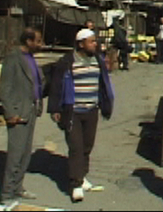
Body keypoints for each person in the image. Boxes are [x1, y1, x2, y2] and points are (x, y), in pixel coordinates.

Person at [47, 28, 114, 203]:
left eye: (95, 41)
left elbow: (103, 83)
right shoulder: (67, 62)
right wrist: (55, 109)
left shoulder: (97, 60)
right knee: (76, 146)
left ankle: (82, 176)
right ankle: (75, 184)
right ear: (81, 44)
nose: (95, 44)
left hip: (92, 111)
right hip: (73, 112)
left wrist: (106, 103)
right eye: (91, 41)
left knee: (87, 146)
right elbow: (56, 86)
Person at [0, 28, 45, 205]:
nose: (40, 44)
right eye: (38, 41)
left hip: (31, 110)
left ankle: (18, 187)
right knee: (15, 155)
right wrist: (10, 113)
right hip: (18, 112)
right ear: (28, 41)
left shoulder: (31, 58)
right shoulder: (13, 59)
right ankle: (7, 194)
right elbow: (5, 88)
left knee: (25, 154)